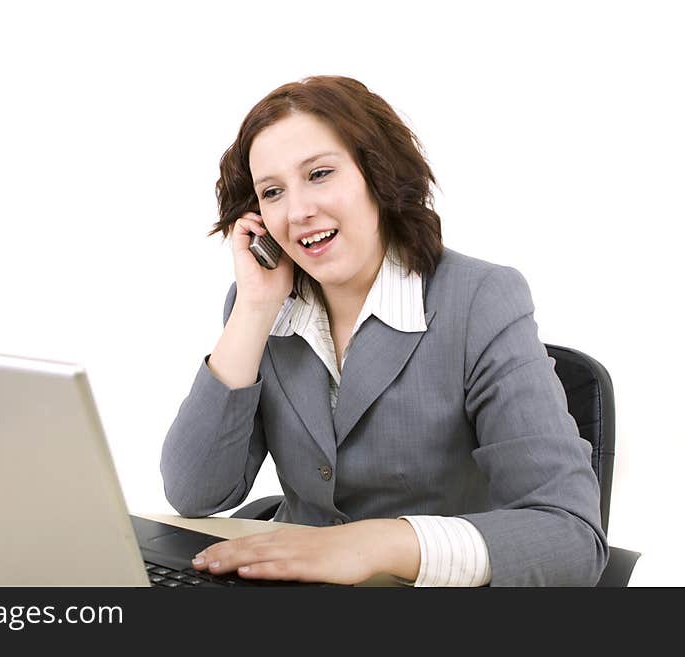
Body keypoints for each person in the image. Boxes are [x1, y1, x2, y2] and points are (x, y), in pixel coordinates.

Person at [160, 75, 608, 587]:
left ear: (377, 173)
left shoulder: (480, 300)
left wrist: (373, 543)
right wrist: (255, 309)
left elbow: (571, 536)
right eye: (272, 192)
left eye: (320, 174)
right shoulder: (263, 308)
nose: (298, 210)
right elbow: (194, 492)